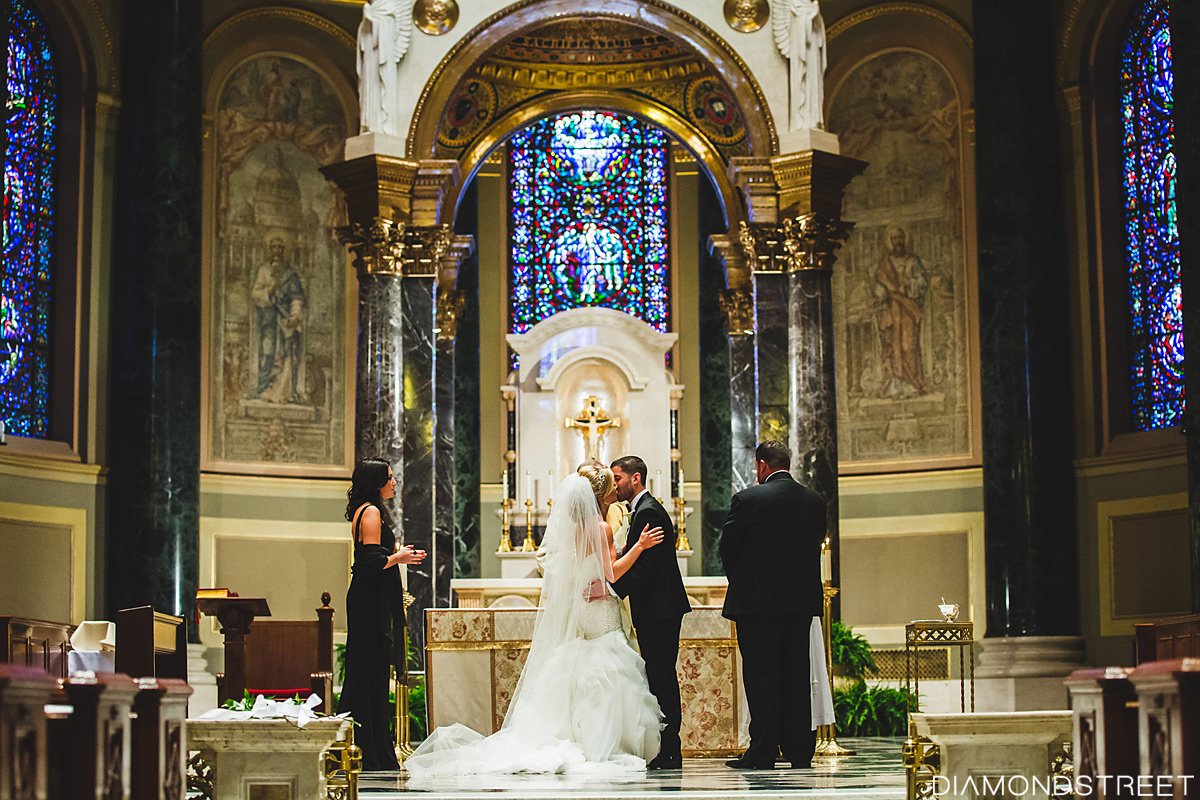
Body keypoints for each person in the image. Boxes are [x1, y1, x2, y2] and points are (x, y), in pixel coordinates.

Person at [404, 471, 666, 776]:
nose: (614, 492)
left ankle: (581, 736)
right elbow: (612, 574)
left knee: (583, 665)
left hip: (584, 608)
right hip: (601, 611)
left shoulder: (575, 529)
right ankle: (604, 744)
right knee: (609, 667)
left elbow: (584, 569)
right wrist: (639, 546)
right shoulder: (601, 527)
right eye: (610, 487)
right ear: (602, 493)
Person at [721, 441, 826, 769]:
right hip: (798, 603)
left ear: (762, 465)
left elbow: (727, 548)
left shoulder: (748, 499)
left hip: (756, 604)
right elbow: (816, 543)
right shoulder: (814, 500)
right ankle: (799, 749)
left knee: (762, 675)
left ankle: (763, 750)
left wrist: (745, 580)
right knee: (796, 672)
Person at [337, 458, 426, 772]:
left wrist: (399, 555)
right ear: (376, 482)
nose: (394, 483)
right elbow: (370, 563)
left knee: (368, 672)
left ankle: (365, 748)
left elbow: (373, 557)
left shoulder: (364, 510)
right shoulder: (371, 512)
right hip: (367, 601)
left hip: (365, 598)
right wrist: (399, 556)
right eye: (389, 478)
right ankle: (366, 752)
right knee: (367, 672)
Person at [609, 455, 692, 770]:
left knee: (662, 678)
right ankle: (666, 748)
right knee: (658, 676)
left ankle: (671, 749)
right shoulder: (643, 510)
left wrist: (612, 587)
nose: (615, 484)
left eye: (618, 478)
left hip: (659, 610)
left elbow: (646, 567)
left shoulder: (649, 512)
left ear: (635, 479)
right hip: (657, 609)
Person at [874, 226, 930, 396]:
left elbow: (922, 283)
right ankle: (896, 383)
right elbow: (878, 288)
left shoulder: (913, 261)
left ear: (904, 240)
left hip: (908, 308)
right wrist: (884, 291)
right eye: (894, 238)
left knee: (908, 345)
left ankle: (913, 382)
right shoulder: (885, 263)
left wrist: (907, 286)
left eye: (900, 238)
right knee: (893, 344)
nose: (898, 242)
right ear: (890, 242)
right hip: (892, 309)